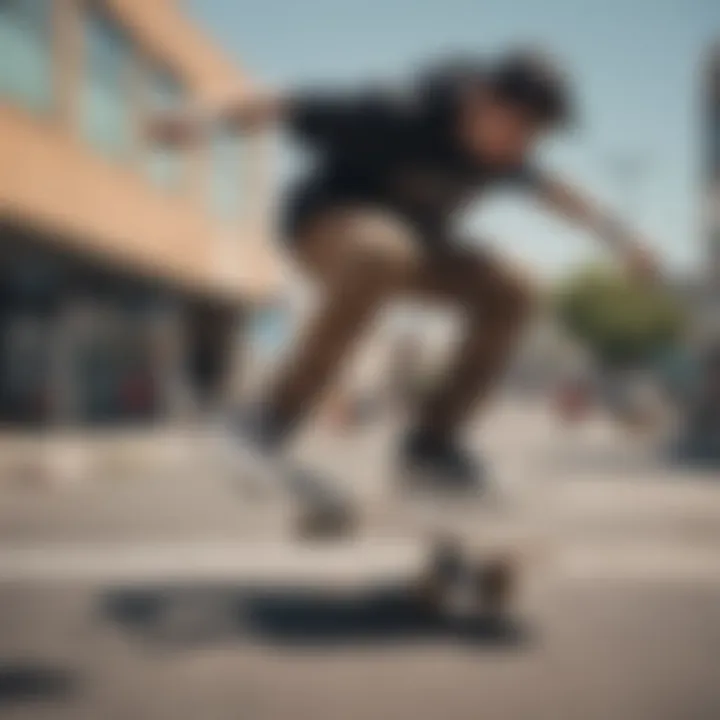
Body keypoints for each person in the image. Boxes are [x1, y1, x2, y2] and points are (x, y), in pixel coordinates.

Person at [149, 50, 658, 492]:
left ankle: (431, 447)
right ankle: (267, 421)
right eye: (519, 127)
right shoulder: (399, 111)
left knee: (516, 288)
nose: (521, 147)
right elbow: (283, 102)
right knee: (383, 250)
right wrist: (199, 119)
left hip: (415, 253)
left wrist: (621, 239)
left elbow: (557, 194)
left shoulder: (507, 155)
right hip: (324, 228)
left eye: (536, 135)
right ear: (482, 100)